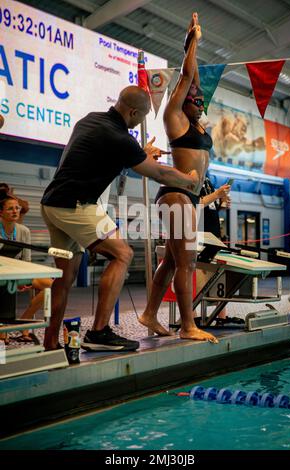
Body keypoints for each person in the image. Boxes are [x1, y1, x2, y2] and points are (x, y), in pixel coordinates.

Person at [40, 85, 201, 352]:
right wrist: (189, 180)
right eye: (143, 116)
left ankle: (50, 344)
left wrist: (141, 155)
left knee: (65, 278)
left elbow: (106, 156)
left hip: (52, 203)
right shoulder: (121, 139)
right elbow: (160, 175)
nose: (142, 121)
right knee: (122, 253)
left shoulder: (91, 119)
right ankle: (99, 332)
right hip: (76, 205)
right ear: (133, 111)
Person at [138, 14, 218, 343]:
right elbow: (186, 75)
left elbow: (193, 76)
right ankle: (188, 325)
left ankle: (149, 314)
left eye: (201, 100)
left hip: (189, 198)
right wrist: (193, 40)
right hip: (175, 194)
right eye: (194, 100)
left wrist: (190, 44)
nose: (199, 102)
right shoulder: (175, 117)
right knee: (187, 262)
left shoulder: (196, 119)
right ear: (181, 101)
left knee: (172, 261)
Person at [0, 190, 52, 344]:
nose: (15, 211)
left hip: (19, 273)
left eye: (17, 208)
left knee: (51, 286)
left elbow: (27, 260)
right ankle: (3, 329)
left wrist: (25, 278)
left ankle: (25, 319)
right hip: (2, 276)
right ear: (1, 212)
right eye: (10, 208)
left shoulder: (24, 231)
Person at [199, 175, 244, 326]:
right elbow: (194, 205)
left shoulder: (208, 182)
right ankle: (190, 318)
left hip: (214, 237)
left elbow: (211, 206)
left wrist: (222, 203)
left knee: (219, 277)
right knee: (194, 279)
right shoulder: (190, 180)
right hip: (199, 235)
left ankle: (220, 317)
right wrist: (217, 195)